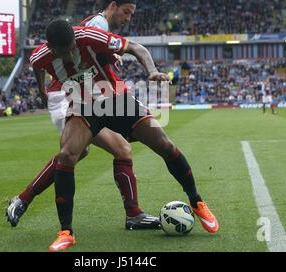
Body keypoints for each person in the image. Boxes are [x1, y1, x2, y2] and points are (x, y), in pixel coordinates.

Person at [35, 20, 218, 252]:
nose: (71, 53)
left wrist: (151, 71)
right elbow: (36, 66)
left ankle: (196, 201)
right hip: (83, 106)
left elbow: (137, 48)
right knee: (67, 155)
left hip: (116, 100)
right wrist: (42, 89)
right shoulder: (40, 55)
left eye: (73, 47)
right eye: (65, 52)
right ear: (52, 49)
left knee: (165, 145)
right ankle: (66, 233)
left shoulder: (91, 37)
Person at [6, 0, 160, 230]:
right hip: (71, 98)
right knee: (120, 148)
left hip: (74, 95)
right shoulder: (98, 24)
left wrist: (42, 89)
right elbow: (92, 50)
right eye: (126, 13)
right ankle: (133, 214)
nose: (127, 19)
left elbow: (42, 61)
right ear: (112, 6)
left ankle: (22, 199)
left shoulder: (92, 27)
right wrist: (111, 57)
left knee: (79, 152)